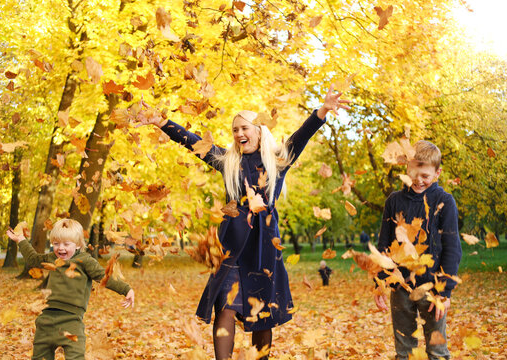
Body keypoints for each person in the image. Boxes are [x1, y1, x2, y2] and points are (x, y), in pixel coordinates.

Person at [140, 85, 350, 359]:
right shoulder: (228, 161)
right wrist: (164, 123)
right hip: (232, 246)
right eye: (235, 130)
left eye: (245, 128)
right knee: (225, 306)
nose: (239, 133)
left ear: (259, 131)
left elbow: (301, 137)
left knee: (262, 314)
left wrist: (322, 110)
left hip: (264, 246)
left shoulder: (278, 160)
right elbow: (193, 142)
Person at [374, 140, 462, 360]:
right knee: (404, 351)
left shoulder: (445, 201)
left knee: (437, 351)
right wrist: (380, 280)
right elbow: (384, 244)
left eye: (425, 175)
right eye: (414, 173)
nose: (419, 180)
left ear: (437, 173)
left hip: (433, 288)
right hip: (400, 286)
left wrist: (445, 291)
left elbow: (452, 248)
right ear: (406, 168)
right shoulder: (394, 201)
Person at [7, 219, 134, 360]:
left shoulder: (85, 261)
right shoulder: (52, 258)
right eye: (56, 244)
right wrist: (21, 240)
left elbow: (104, 277)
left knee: (76, 357)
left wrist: (126, 290)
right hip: (46, 321)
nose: (60, 248)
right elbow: (33, 259)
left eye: (66, 244)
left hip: (72, 321)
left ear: (78, 244)